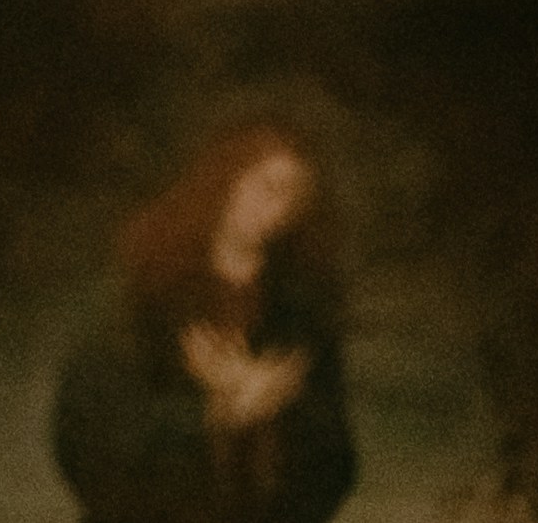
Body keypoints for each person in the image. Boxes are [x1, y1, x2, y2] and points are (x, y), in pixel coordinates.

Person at [52, 121, 354, 523]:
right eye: (267, 187)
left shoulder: (300, 314)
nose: (278, 208)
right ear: (224, 180)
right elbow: (90, 432)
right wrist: (215, 413)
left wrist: (274, 401)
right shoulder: (148, 295)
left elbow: (335, 456)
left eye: (293, 195)